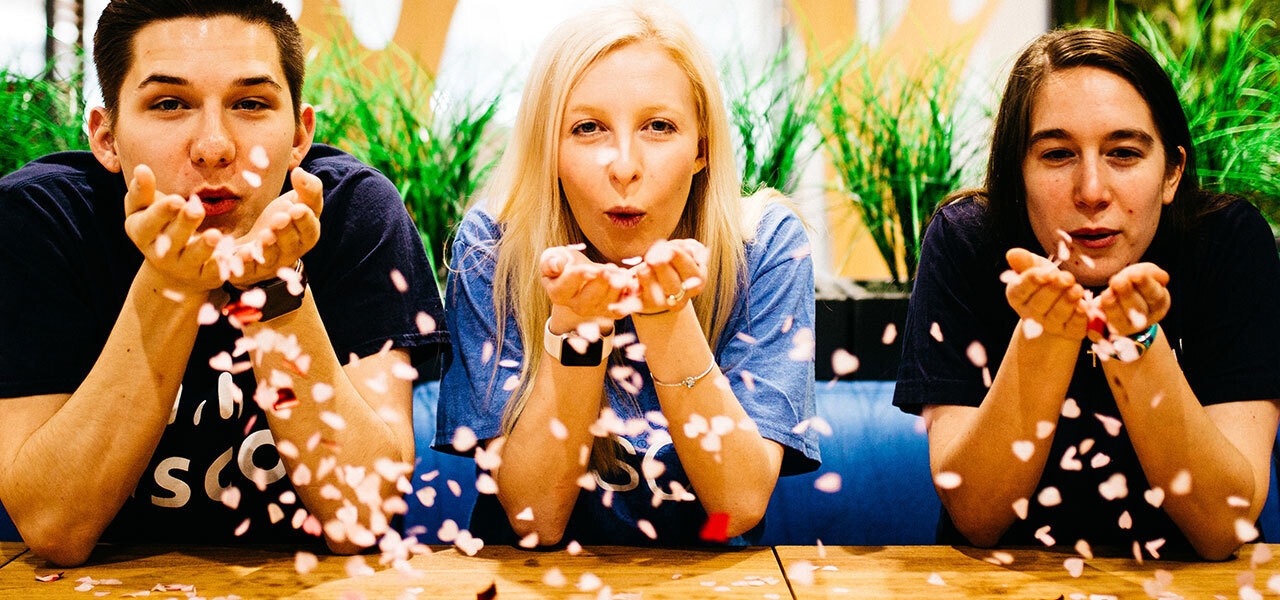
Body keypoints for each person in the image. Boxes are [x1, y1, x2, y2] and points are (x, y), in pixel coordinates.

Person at [0, 0, 447, 566]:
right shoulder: (41, 220)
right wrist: (172, 279)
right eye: (169, 103)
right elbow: (54, 527)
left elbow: (361, 519)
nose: (214, 146)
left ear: (299, 136)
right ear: (107, 137)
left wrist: (277, 287)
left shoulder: (353, 212)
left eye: (250, 104)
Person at [436, 3, 819, 547]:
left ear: (701, 149)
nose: (623, 165)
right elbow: (532, 521)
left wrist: (666, 314)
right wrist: (577, 329)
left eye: (659, 127)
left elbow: (735, 507)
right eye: (588, 128)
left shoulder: (764, 246)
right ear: (551, 147)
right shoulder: (494, 249)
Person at [894, 27, 1280, 560]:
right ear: (1017, 174)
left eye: (1123, 152)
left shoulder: (1228, 243)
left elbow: (1223, 526)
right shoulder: (968, 242)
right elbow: (978, 516)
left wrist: (1138, 342)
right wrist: (1046, 331)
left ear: (1171, 174)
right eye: (1057, 155)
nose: (1092, 191)